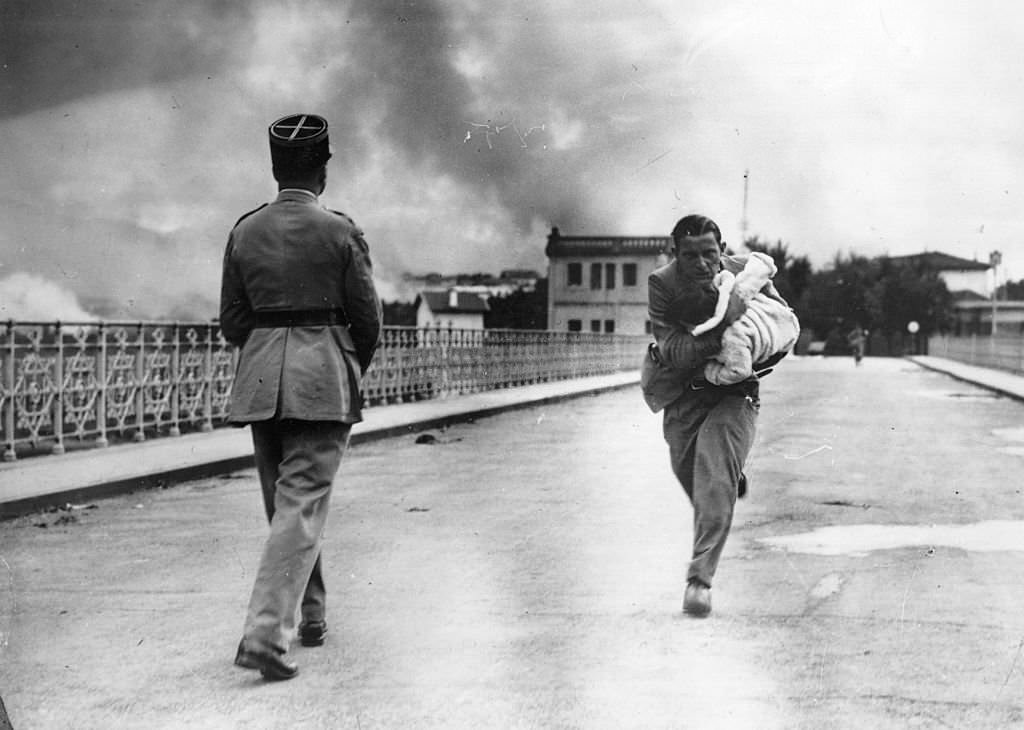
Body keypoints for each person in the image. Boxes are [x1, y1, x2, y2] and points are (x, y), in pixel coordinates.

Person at [220, 113, 382, 680]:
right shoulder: (341, 231)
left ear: (274, 167)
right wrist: (341, 364)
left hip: (261, 379)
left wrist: (268, 345)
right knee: (301, 504)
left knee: (286, 505)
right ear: (324, 169)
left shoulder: (244, 231)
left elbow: (232, 320)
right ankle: (266, 635)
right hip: (321, 378)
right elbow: (368, 320)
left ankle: (309, 613)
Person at [641, 214, 790, 617]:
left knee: (712, 481)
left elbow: (781, 320)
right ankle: (727, 476)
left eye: (711, 253)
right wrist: (725, 321)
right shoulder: (662, 284)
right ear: (676, 255)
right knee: (692, 475)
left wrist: (755, 340)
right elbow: (673, 352)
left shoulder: (746, 271)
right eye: (691, 256)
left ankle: (699, 582)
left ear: (722, 250)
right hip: (684, 393)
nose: (703, 264)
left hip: (735, 392)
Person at [669, 251, 800, 385]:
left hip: (783, 332)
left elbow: (740, 371)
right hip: (770, 311)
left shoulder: (727, 343)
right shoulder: (716, 299)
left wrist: (711, 373)